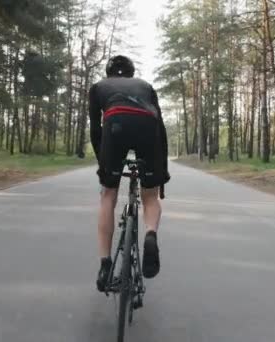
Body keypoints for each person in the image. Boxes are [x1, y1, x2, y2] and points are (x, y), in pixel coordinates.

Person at [89, 55, 170, 292]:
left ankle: (105, 264)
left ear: (108, 73)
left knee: (108, 195)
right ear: (132, 73)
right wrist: (161, 171)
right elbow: (161, 126)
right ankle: (151, 235)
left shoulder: (99, 87)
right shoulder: (145, 86)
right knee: (150, 197)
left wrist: (103, 164)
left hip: (115, 124)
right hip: (148, 126)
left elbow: (96, 129)